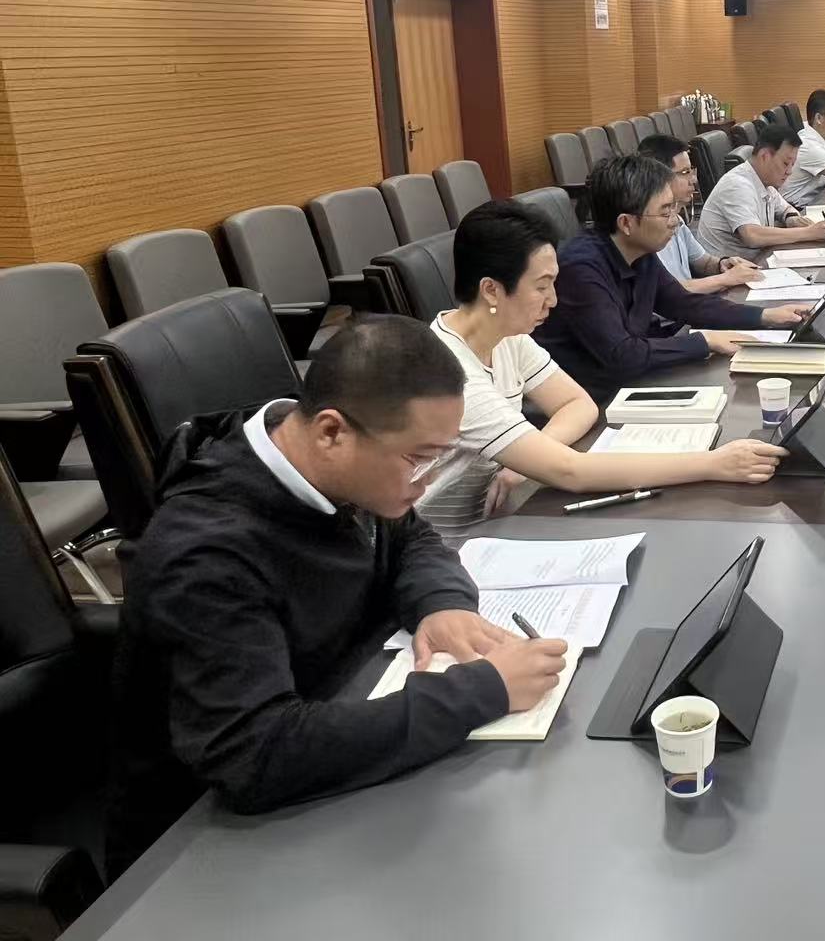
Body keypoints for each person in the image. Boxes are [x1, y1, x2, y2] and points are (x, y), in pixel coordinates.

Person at [106, 316, 571, 878]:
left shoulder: (325, 456)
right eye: (418, 459)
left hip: (345, 714)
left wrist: (441, 601)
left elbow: (410, 536)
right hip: (202, 854)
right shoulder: (206, 556)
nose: (426, 481)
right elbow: (256, 753)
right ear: (330, 432)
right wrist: (482, 691)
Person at [416, 199, 789, 538]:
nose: (553, 300)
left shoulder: (506, 335)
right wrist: (714, 464)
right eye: (541, 287)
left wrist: (523, 460)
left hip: (497, 521)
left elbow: (578, 404)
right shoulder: (451, 374)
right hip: (447, 546)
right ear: (491, 290)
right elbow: (570, 471)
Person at [540, 156, 817, 398]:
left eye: (674, 208)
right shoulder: (580, 269)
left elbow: (683, 303)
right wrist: (704, 341)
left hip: (630, 380)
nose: (675, 220)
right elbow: (621, 355)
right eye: (665, 211)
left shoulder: (639, 250)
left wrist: (766, 316)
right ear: (626, 223)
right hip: (591, 396)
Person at [636, 132, 764, 293]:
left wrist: (723, 264)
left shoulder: (678, 220)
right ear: (659, 177)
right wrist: (726, 279)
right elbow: (666, 291)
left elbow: (703, 262)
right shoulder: (646, 231)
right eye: (685, 173)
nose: (694, 180)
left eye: (692, 170)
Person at [695, 124, 825, 261]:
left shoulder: (765, 182)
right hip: (727, 271)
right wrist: (808, 232)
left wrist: (791, 218)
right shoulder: (737, 184)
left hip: (754, 262)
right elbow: (752, 235)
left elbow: (785, 209)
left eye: (793, 164)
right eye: (785, 163)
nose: (789, 171)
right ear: (764, 156)